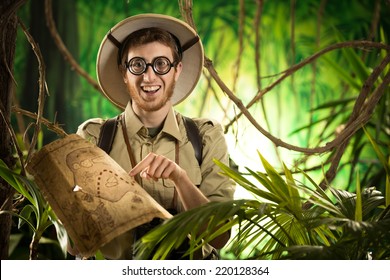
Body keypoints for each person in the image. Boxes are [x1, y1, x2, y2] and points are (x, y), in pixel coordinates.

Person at [74, 13, 235, 259]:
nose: (149, 77)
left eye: (161, 64)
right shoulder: (94, 137)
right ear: (124, 72)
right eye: (137, 65)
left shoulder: (205, 136)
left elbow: (219, 237)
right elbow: (74, 245)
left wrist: (180, 179)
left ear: (177, 70)